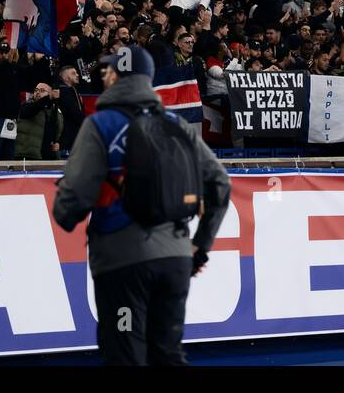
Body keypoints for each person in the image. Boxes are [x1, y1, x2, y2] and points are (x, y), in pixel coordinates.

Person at [53, 45, 230, 366]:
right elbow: (220, 183)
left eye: (109, 72)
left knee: (126, 357)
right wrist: (200, 247)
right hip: (175, 259)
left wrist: (66, 207)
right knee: (168, 356)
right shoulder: (175, 124)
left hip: (123, 263)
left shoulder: (101, 125)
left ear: (116, 79)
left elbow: (71, 206)